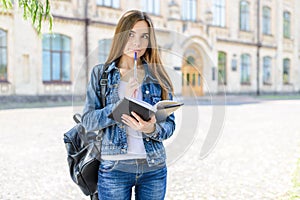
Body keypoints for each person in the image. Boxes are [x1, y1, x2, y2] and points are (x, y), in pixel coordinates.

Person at [82, 10, 175, 200]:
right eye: (131, 35)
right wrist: (119, 102)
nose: (137, 43)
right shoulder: (101, 74)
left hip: (153, 169)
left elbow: (170, 124)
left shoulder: (158, 76)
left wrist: (151, 129)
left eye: (144, 37)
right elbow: (88, 122)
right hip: (114, 169)